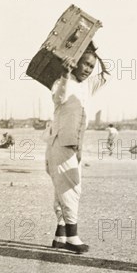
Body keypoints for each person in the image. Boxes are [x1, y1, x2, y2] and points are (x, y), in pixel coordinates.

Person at [45, 41, 108, 253]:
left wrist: (94, 51)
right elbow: (58, 97)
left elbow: (106, 75)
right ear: (76, 63)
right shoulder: (62, 81)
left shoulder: (87, 85)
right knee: (71, 189)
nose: (89, 69)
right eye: (85, 64)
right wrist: (65, 72)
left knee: (62, 189)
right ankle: (72, 237)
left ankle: (60, 235)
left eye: (91, 66)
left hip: (74, 145)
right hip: (61, 143)